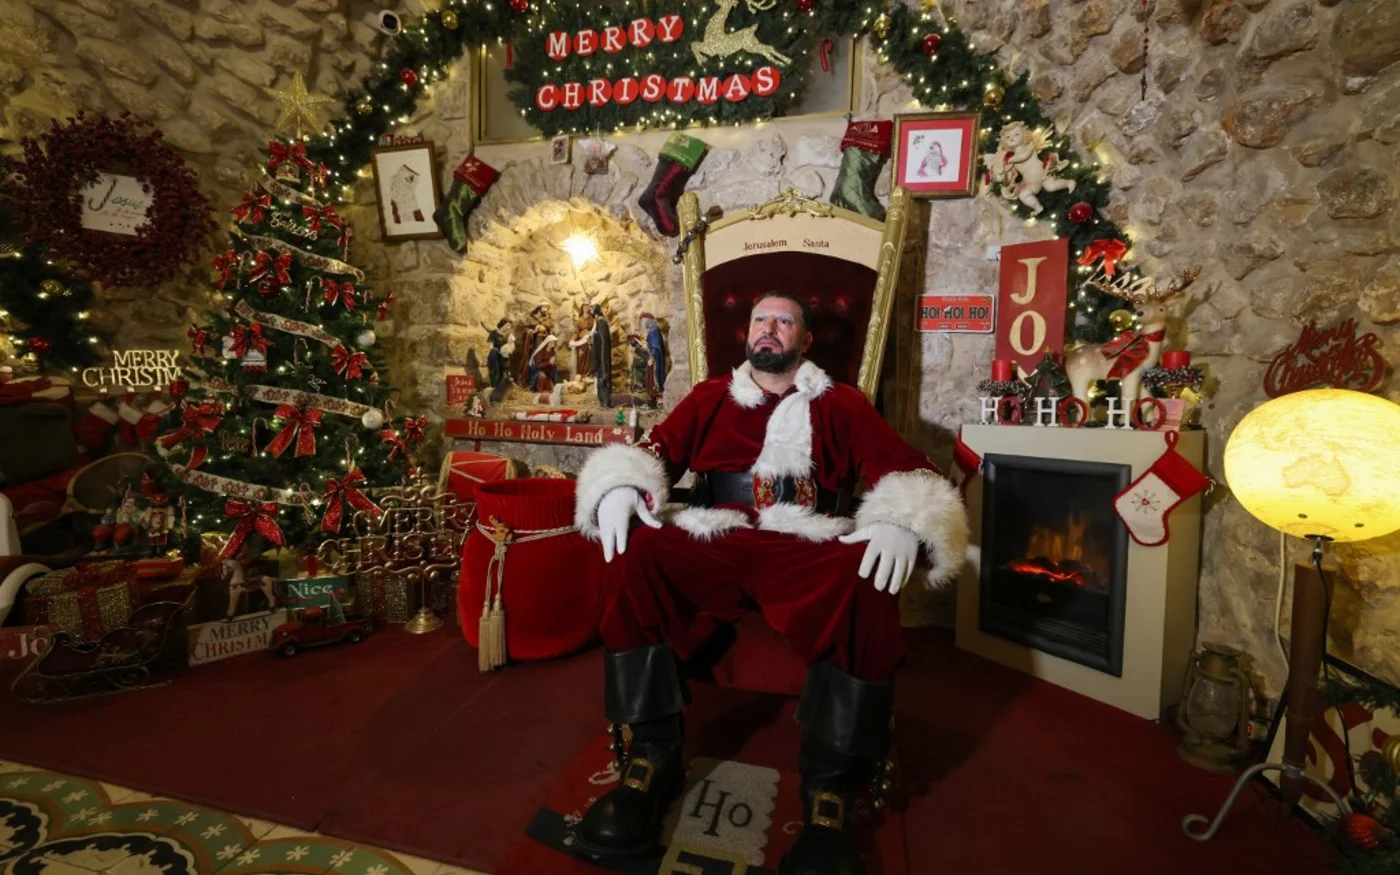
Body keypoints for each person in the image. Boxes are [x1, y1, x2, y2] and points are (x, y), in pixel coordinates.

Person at [571, 292, 967, 875]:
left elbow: (898, 462)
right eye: (762, 319)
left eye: (785, 322)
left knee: (861, 580)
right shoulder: (709, 398)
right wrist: (622, 485)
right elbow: (656, 450)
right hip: (718, 532)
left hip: (805, 540)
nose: (771, 329)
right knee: (637, 554)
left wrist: (906, 517)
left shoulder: (841, 403)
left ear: (804, 341)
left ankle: (830, 795)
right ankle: (651, 760)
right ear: (746, 335)